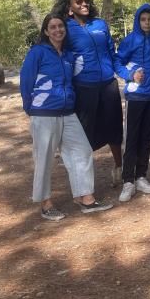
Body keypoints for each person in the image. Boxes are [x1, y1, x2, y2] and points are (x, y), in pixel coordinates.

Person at [20, 13, 112, 221]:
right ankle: (46, 203)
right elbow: (26, 81)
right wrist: (30, 107)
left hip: (68, 112)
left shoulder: (69, 55)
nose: (58, 30)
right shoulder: (38, 52)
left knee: (82, 151)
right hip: (44, 113)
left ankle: (85, 198)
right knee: (44, 158)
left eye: (60, 26)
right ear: (46, 31)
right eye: (52, 27)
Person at [54, 0, 124, 187]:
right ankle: (84, 180)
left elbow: (112, 53)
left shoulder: (100, 24)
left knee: (115, 129)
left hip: (108, 85)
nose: (84, 4)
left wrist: (126, 74)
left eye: (86, 0)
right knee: (84, 133)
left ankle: (119, 168)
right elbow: (59, 55)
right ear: (69, 8)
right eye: (78, 2)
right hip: (84, 88)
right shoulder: (65, 28)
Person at [115, 4, 150, 202]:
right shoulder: (130, 40)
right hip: (135, 96)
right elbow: (117, 62)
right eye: (143, 19)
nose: (147, 23)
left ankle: (141, 176)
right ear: (138, 21)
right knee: (132, 138)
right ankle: (128, 181)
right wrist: (130, 75)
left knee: (147, 137)